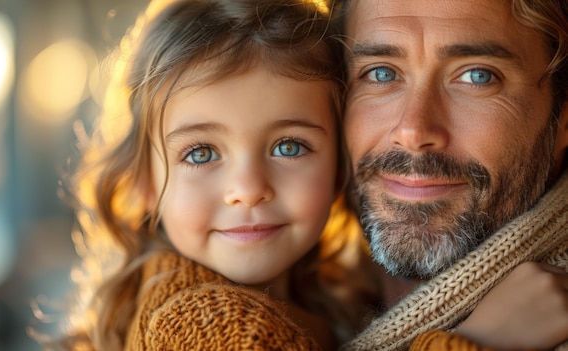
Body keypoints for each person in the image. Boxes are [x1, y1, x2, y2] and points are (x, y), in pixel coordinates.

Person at [39, 0, 381, 350]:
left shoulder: (329, 293)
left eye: (289, 147)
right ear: (144, 181)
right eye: (201, 154)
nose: (248, 190)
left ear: (340, 165)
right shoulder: (209, 325)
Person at [335, 0, 568, 350]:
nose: (413, 131)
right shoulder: (304, 293)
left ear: (564, 116)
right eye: (381, 73)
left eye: (478, 76)